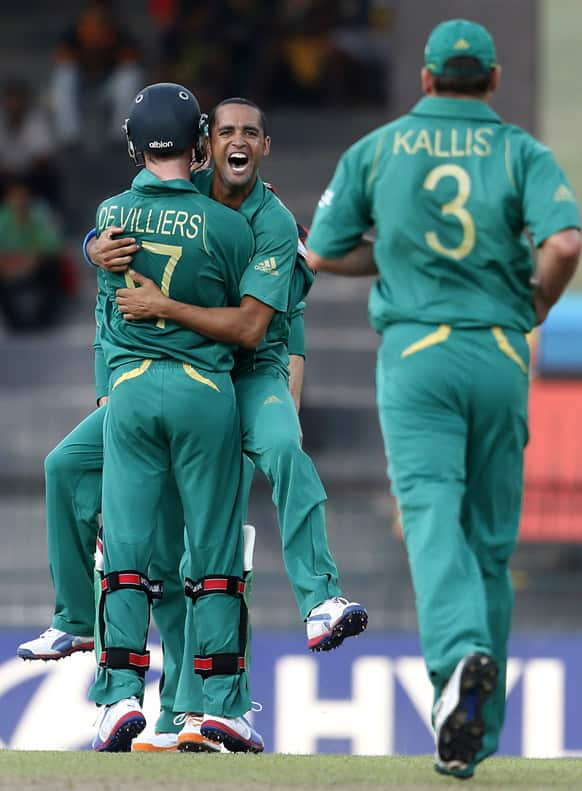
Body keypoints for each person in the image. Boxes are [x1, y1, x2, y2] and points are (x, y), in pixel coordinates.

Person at [306, 19, 581, 779]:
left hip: (419, 352)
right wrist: (537, 305)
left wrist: (394, 255)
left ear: (426, 80)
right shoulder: (520, 150)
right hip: (497, 351)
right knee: (491, 541)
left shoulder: (380, 148)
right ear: (493, 81)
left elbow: (324, 250)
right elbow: (563, 244)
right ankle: (474, 735)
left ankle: (458, 660)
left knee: (431, 515)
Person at [86, 81, 266, 754]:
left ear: (134, 146)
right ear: (198, 147)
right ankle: (218, 708)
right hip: (203, 390)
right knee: (214, 555)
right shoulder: (228, 222)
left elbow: (101, 276)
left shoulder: (111, 214)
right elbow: (251, 318)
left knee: (126, 553)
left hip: (129, 390)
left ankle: (115, 700)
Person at [50, 0, 143, 147]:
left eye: (102, 15)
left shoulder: (119, 34)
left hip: (107, 89)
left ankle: (120, 134)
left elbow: (132, 59)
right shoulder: (74, 34)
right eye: (94, 13)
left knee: (129, 75)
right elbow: (61, 58)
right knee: (64, 74)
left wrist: (105, 47)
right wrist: (87, 51)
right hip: (82, 90)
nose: (98, 18)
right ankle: (69, 134)